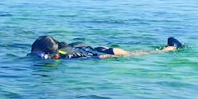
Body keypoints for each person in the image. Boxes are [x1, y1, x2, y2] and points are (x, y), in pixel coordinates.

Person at [29, 35, 185, 59]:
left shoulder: (66, 57)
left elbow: (94, 58)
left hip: (107, 52)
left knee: (141, 54)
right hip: (97, 48)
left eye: (38, 56)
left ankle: (172, 48)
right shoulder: (62, 51)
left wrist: (111, 56)